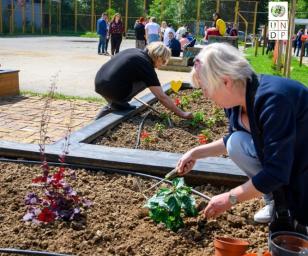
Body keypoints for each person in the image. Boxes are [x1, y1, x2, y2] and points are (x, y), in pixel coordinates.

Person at [177, 43, 308, 234]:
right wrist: (195, 153)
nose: (204, 95)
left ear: (226, 81)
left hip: (302, 163)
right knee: (236, 143)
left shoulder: (274, 100)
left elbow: (277, 172)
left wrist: (230, 198)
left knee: (300, 224)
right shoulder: (236, 102)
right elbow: (234, 138)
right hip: (288, 159)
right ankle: (278, 203)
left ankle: (290, 207)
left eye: (205, 88)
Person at [95, 42, 193, 120]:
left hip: (99, 82)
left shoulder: (135, 51)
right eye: (164, 62)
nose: (163, 65)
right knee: (148, 81)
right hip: (111, 88)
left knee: (114, 105)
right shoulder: (146, 65)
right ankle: (120, 102)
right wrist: (182, 113)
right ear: (158, 57)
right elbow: (161, 96)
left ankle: (112, 109)